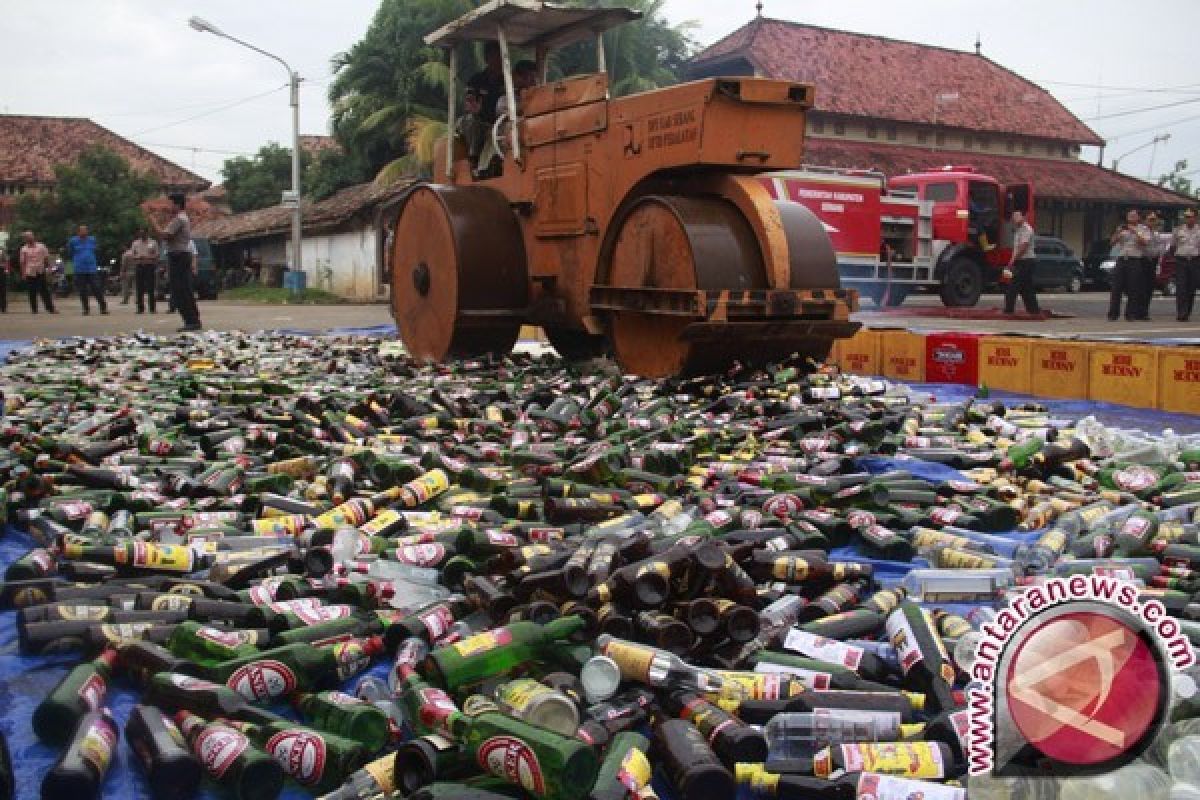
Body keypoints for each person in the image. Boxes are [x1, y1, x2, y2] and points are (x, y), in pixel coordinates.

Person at [151, 193, 202, 331]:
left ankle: (191, 320)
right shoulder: (181, 218)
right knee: (184, 289)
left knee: (180, 290)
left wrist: (153, 223)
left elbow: (165, 235)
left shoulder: (179, 219)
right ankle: (193, 319)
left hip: (178, 256)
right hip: (180, 255)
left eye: (171, 204)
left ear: (177, 204)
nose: (169, 207)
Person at [458, 41, 506, 166]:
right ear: (487, 59)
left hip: (499, 123)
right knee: (469, 121)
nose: (498, 61)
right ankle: (473, 155)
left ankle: (488, 165)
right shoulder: (477, 80)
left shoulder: (507, 81)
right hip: (479, 120)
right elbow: (469, 104)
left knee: (500, 131)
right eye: (494, 57)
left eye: (500, 56)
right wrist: (475, 109)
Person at [1109, 209, 1153, 321]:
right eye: (1129, 215)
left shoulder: (1143, 229)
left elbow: (1145, 242)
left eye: (1134, 215)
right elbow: (1112, 242)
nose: (1131, 217)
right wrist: (1117, 233)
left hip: (1135, 260)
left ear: (1138, 217)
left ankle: (1130, 314)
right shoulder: (1122, 228)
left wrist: (1134, 231)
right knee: (1116, 288)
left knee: (1133, 288)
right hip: (1122, 259)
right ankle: (1113, 314)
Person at [1003, 210, 1039, 315]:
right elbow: (1016, 248)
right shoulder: (1018, 230)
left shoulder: (1027, 229)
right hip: (1020, 261)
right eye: (1014, 216)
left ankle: (1008, 309)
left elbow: (1023, 247)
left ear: (1023, 217)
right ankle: (1033, 309)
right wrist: (1012, 260)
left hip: (1026, 261)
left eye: (1017, 216)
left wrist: (1013, 260)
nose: (1015, 219)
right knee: (1026, 288)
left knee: (1013, 285)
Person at [66, 224, 107, 315]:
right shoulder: (73, 241)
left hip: (91, 268)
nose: (84, 232)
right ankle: (86, 309)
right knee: (82, 290)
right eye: (82, 230)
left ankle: (103, 307)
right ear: (78, 232)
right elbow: (70, 252)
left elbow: (96, 250)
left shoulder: (92, 240)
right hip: (79, 269)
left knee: (97, 288)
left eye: (85, 230)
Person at [1170, 208, 1200, 322]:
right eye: (1186, 216)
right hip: (1181, 261)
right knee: (1181, 287)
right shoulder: (1178, 230)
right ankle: (1181, 313)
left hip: (1195, 261)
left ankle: (1187, 311)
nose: (1187, 219)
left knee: (1191, 288)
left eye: (1190, 216)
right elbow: (1173, 246)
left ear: (1195, 218)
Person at [18, 230, 56, 314]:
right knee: (31, 292)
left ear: (33, 236)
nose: (29, 238)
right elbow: (22, 262)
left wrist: (49, 267)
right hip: (30, 272)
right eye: (27, 237)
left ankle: (51, 309)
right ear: (25, 239)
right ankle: (34, 310)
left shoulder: (41, 246)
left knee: (44, 291)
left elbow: (46, 258)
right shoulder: (23, 249)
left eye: (30, 236)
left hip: (40, 271)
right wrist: (23, 273)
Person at [130, 227, 159, 314]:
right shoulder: (135, 243)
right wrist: (138, 257)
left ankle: (152, 308)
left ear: (147, 233)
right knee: (139, 288)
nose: (141, 235)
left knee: (151, 288)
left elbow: (157, 255)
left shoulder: (153, 242)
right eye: (140, 233)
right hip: (139, 266)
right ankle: (140, 308)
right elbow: (132, 255)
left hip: (149, 266)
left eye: (143, 233)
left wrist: (148, 257)